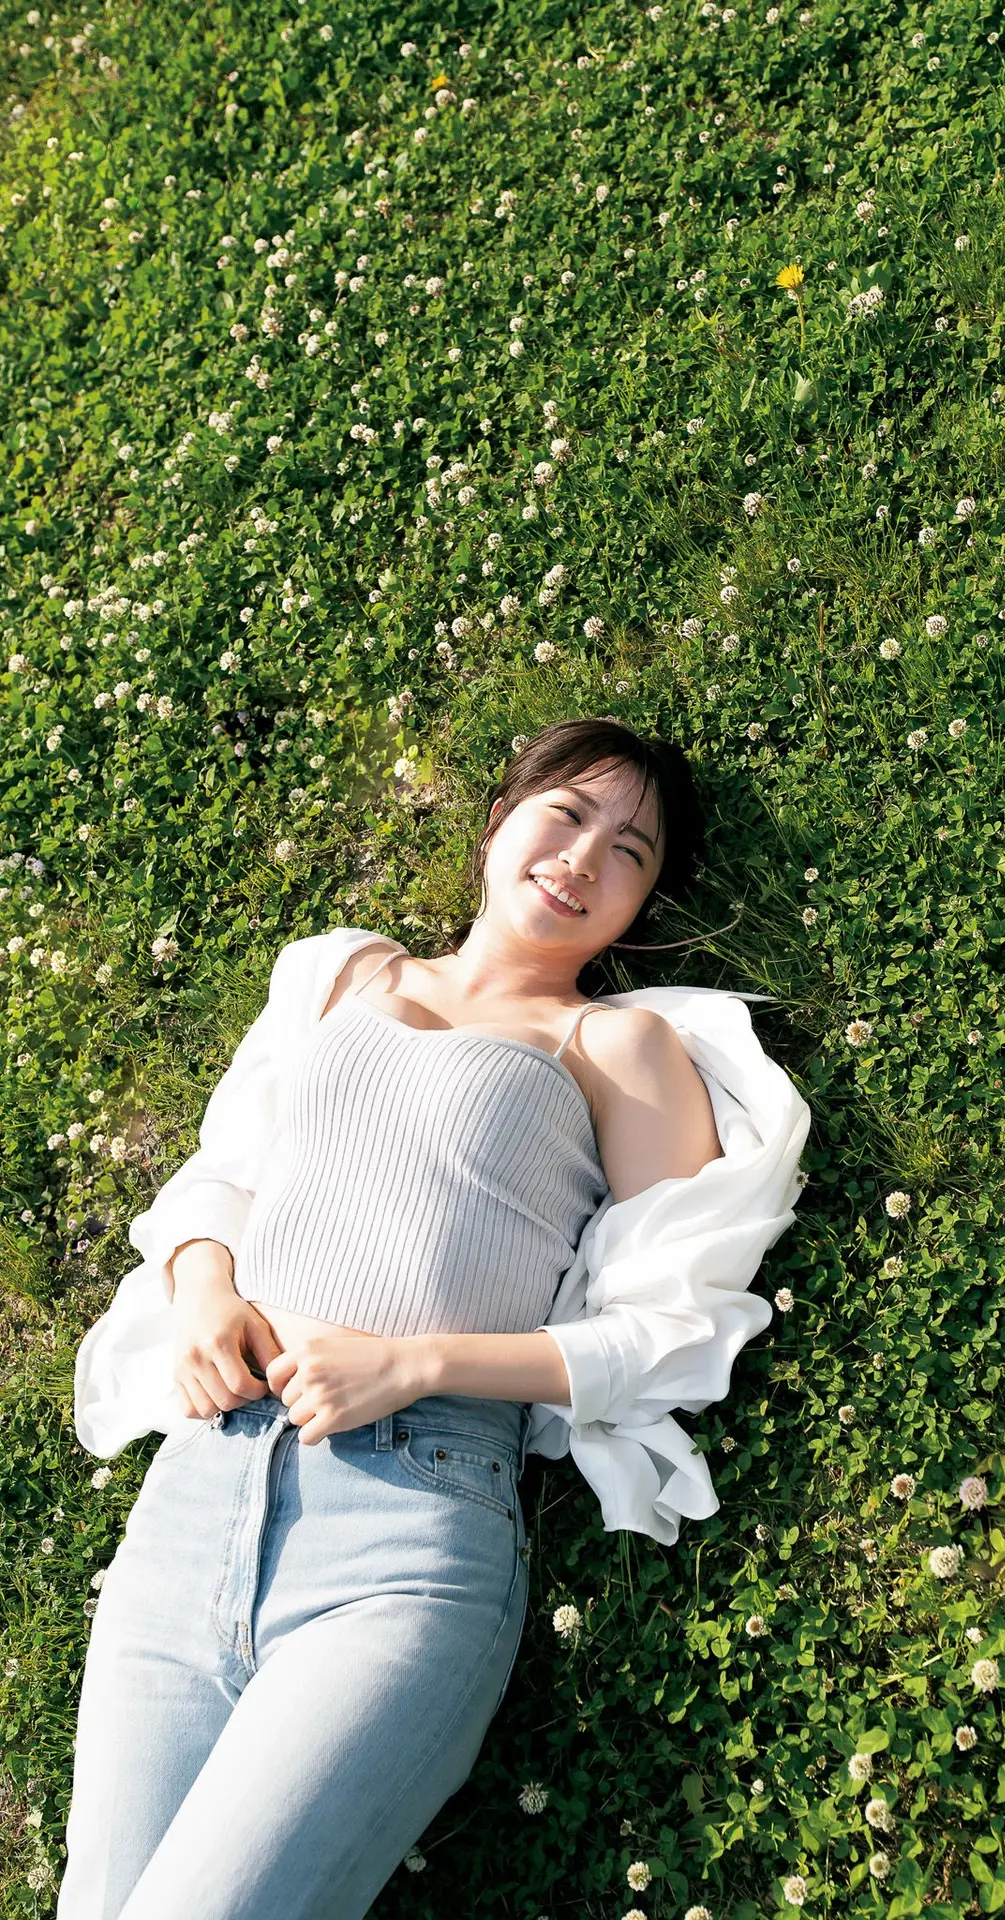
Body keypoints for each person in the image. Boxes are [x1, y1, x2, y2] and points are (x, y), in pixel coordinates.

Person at [57, 718, 726, 1920]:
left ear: (641, 905)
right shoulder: (341, 972)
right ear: (500, 820)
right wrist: (202, 1287)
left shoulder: (615, 1045)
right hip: (196, 1493)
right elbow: (224, 1169)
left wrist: (415, 1364)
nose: (583, 858)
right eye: (567, 814)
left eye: (629, 852)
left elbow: (671, 1331)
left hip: (408, 1532)